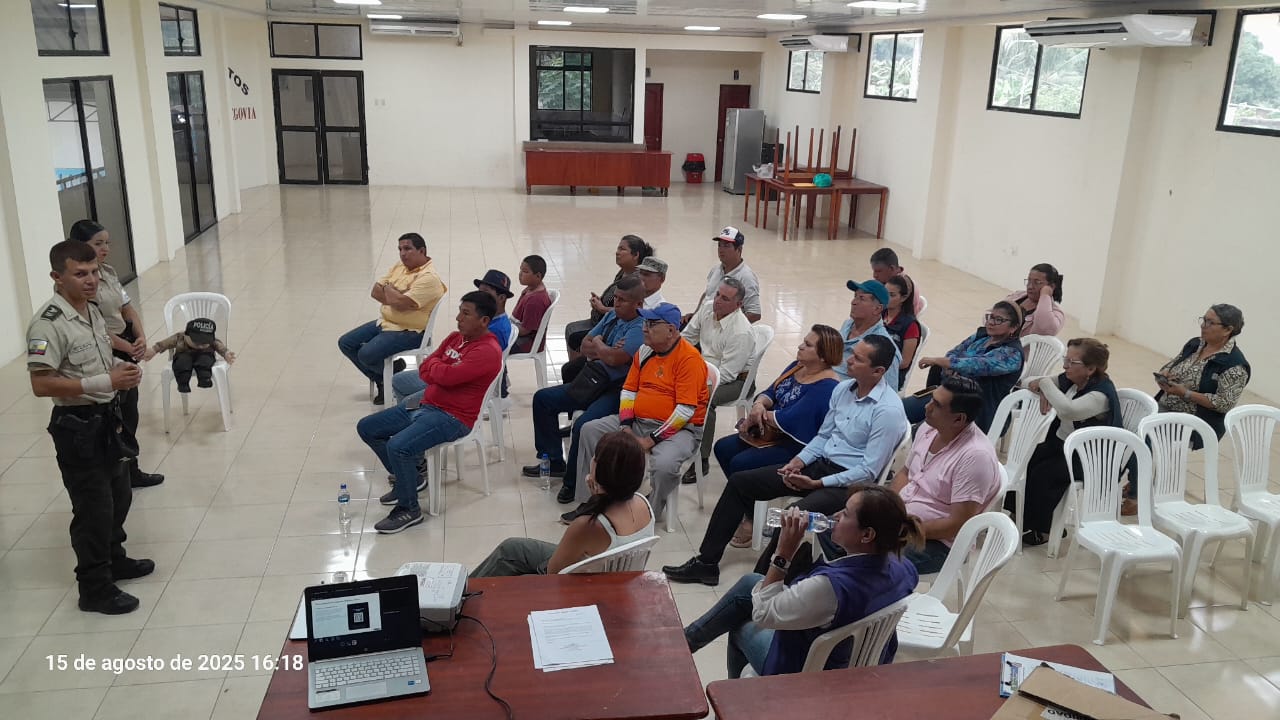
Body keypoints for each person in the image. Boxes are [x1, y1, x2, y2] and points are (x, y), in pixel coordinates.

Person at [664, 335, 908, 586]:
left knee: (792, 516)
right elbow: (824, 436)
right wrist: (799, 462)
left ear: (878, 371)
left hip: (848, 484)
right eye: (852, 354)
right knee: (740, 482)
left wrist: (818, 483)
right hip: (819, 465)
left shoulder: (887, 411)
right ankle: (706, 563)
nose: (849, 360)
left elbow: (869, 471)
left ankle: (761, 585)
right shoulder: (844, 390)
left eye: (858, 358)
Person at [27, 241, 153, 614]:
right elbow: (41, 384)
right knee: (93, 508)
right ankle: (94, 588)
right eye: (80, 274)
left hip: (106, 420)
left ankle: (115, 559)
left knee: (120, 494)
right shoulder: (48, 324)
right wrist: (103, 382)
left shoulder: (91, 310)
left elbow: (98, 354)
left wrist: (120, 366)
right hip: (77, 426)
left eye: (94, 272)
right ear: (57, 277)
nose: (91, 280)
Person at [682, 486, 921, 678]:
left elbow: (763, 614)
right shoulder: (905, 568)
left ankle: (736, 703)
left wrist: (783, 553)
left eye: (846, 514)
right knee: (751, 582)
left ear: (867, 535)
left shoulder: (829, 587)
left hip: (809, 670)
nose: (836, 515)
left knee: (740, 626)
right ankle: (686, 641)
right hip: (857, 659)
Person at [356, 291, 503, 534]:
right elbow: (426, 367)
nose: (458, 318)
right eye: (459, 311)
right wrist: (440, 370)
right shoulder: (455, 337)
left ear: (484, 320)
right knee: (368, 427)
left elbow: (446, 376)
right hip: (424, 402)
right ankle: (411, 480)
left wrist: (440, 369)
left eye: (466, 314)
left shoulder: (487, 351)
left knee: (398, 447)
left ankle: (409, 509)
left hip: (452, 416)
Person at [568, 302, 708, 525]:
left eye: (651, 324)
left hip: (680, 430)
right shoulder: (645, 351)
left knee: (664, 465)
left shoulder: (689, 359)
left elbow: (685, 411)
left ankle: (649, 512)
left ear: (671, 330)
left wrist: (649, 440)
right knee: (590, 430)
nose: (644, 328)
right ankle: (593, 501)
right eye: (645, 322)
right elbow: (628, 391)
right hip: (638, 421)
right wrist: (625, 426)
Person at [714, 325, 843, 548]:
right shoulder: (797, 366)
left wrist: (760, 415)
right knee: (723, 448)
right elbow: (771, 391)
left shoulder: (827, 386)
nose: (800, 346)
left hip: (797, 445)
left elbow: (793, 418)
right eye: (803, 341)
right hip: (772, 433)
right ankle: (748, 508)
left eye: (808, 345)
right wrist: (759, 404)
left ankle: (750, 518)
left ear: (823, 356)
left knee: (741, 463)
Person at [523, 277, 646, 504]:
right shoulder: (611, 316)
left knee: (582, 425)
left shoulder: (640, 328)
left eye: (623, 300)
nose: (616, 303)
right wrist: (605, 349)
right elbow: (584, 346)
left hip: (617, 391)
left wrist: (599, 344)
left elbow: (615, 358)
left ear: (638, 304)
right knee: (543, 399)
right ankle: (554, 462)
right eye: (616, 298)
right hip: (593, 380)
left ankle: (571, 483)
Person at [472, 431, 654, 577]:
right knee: (513, 548)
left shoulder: (589, 525)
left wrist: (595, 499)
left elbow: (552, 572)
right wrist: (598, 496)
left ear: (599, 468)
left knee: (508, 556)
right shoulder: (643, 503)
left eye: (595, 457)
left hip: (580, 588)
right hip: (613, 578)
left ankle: (460, 598)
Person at [68, 219, 163, 489]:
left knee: (130, 411)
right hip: (106, 352)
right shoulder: (80, 283)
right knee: (114, 416)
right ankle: (116, 475)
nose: (105, 248)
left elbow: (127, 308)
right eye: (98, 243)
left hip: (126, 345)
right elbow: (94, 326)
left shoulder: (107, 272)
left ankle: (131, 470)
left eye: (107, 243)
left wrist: (140, 336)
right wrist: (126, 347)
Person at [890, 375, 1002, 572]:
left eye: (937, 405)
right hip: (902, 520)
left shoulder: (975, 457)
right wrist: (887, 510)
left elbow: (957, 524)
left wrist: (902, 530)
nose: (927, 407)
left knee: (869, 557)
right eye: (931, 399)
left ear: (959, 419)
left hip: (938, 543)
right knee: (844, 530)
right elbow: (905, 473)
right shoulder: (928, 428)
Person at [1017, 339, 1122, 545]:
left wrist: (1045, 384)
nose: (1065, 366)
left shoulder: (1100, 394)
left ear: (1091, 369)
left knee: (1045, 473)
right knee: (1029, 458)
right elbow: (1025, 381)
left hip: (1091, 458)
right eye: (1065, 360)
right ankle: (1020, 515)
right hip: (1064, 445)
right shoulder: (1072, 380)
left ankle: (1045, 529)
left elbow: (1068, 411)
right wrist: (1041, 385)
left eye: (1071, 362)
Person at [338, 232, 446, 404]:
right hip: (386, 322)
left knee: (366, 354)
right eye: (400, 249)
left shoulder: (429, 278)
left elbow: (400, 302)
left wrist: (389, 289)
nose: (402, 254)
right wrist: (396, 295)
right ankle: (386, 378)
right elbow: (375, 292)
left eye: (407, 249)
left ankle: (388, 380)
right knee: (346, 343)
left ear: (422, 251)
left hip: (410, 331)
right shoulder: (400, 266)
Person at [389, 269, 513, 405]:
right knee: (398, 381)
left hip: (460, 387)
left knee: (408, 403)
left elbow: (461, 373)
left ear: (501, 298)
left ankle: (415, 412)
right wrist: (437, 367)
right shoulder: (483, 323)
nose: (480, 296)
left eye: (486, 292)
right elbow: (436, 360)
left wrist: (438, 369)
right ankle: (413, 413)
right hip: (445, 372)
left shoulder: (495, 331)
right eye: (479, 291)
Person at [904, 301, 1025, 432]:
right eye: (991, 317)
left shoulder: (1012, 354)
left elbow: (976, 365)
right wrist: (948, 366)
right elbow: (954, 352)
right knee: (899, 410)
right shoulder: (982, 336)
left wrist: (946, 363)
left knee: (920, 432)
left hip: (974, 409)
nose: (991, 322)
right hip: (949, 395)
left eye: (999, 320)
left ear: (1013, 327)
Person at [680, 277, 755, 483]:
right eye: (717, 295)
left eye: (725, 298)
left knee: (705, 400)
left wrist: (695, 383)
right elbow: (686, 338)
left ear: (738, 305)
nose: (717, 301)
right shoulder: (707, 308)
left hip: (736, 381)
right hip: (704, 369)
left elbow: (727, 374)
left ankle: (702, 459)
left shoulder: (741, 332)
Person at [1153, 304, 1250, 444]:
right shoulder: (1195, 344)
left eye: (1210, 322)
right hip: (1165, 408)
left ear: (1227, 330)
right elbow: (1173, 363)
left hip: (1195, 423)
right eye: (1204, 320)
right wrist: (1166, 372)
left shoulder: (1235, 365)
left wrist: (1186, 393)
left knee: (1142, 435)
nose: (1203, 325)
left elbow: (1224, 403)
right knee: (1127, 423)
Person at [564, 235, 653, 355]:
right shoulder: (623, 272)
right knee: (571, 329)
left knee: (574, 336)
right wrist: (600, 301)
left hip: (614, 323)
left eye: (622, 249)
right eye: (618, 248)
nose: (617, 252)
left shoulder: (637, 281)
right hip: (602, 319)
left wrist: (602, 308)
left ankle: (585, 361)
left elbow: (632, 310)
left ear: (635, 255)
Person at [682, 226, 763, 325]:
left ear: (739, 249)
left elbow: (755, 313)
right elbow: (707, 294)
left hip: (719, 329)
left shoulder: (746, 277)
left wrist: (726, 327)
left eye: (726, 246)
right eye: (719, 245)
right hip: (702, 323)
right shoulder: (716, 269)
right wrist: (695, 315)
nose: (721, 250)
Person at [836, 279, 901, 386]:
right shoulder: (847, 325)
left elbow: (888, 390)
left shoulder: (884, 349)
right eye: (855, 296)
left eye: (861, 298)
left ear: (877, 309)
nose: (853, 302)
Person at [150, 318, 236, 392]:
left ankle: (205, 378)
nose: (200, 346)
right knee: (182, 362)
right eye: (197, 342)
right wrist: (154, 350)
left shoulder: (212, 341)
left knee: (205, 360)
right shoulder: (180, 337)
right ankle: (183, 383)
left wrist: (226, 353)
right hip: (184, 355)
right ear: (186, 335)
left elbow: (219, 346)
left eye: (205, 343)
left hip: (204, 355)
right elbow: (165, 343)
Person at [882, 274, 922, 390]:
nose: (886, 298)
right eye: (885, 293)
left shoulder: (910, 325)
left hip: (891, 375)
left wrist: (876, 366)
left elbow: (904, 362)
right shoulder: (880, 313)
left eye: (892, 295)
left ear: (903, 298)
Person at [1005, 263, 1064, 337]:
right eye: (1029, 281)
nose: (1030, 286)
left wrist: (1045, 295)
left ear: (1051, 286)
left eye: (1037, 282)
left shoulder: (1056, 313)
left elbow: (1045, 328)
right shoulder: (1017, 295)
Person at [510, 255, 552, 354]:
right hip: (517, 332)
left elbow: (525, 331)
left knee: (490, 344)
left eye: (525, 271)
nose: (520, 274)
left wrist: (505, 328)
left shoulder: (535, 301)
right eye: (520, 270)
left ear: (538, 276)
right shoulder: (530, 289)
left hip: (526, 342)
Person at [870, 247, 925, 315]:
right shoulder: (889, 281)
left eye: (878, 271)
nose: (874, 275)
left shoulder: (903, 287)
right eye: (874, 271)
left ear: (892, 268)